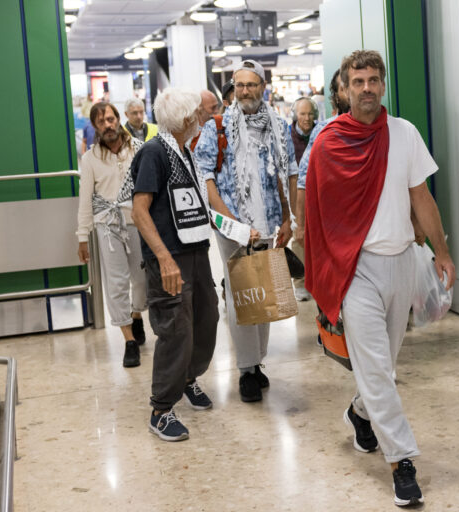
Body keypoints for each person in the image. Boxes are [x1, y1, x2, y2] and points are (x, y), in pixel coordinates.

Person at [305, 50, 456, 507]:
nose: (367, 88)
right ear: (344, 89)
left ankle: (359, 413)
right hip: (355, 270)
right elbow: (316, 212)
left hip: (402, 262)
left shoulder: (404, 133)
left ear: (383, 85)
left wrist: (442, 251)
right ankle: (402, 463)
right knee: (375, 367)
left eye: (373, 80)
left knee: (382, 368)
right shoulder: (327, 142)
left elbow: (421, 197)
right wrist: (326, 269)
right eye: (358, 81)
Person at [194, 59, 297, 403]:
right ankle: (245, 370)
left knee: (263, 293)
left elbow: (287, 174)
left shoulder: (278, 126)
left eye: (251, 85)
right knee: (241, 294)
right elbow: (205, 177)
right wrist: (232, 222)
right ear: (233, 89)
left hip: (268, 224)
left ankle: (257, 361)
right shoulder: (217, 127)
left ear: (262, 87)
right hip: (231, 227)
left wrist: (288, 219)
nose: (245, 91)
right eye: (239, 85)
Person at [130, 87, 219, 442]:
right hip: (169, 258)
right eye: (197, 112)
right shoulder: (154, 153)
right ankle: (161, 410)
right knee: (175, 330)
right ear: (184, 119)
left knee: (206, 320)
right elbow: (139, 211)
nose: (201, 117)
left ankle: (187, 379)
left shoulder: (186, 151)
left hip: (196, 252)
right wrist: (164, 258)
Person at [76, 101, 148, 368]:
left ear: (118, 119)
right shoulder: (90, 159)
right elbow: (85, 200)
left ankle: (137, 315)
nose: (107, 125)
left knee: (141, 280)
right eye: (101, 122)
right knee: (116, 282)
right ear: (95, 127)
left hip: (139, 222)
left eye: (110, 119)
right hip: (107, 226)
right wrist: (82, 237)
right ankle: (129, 341)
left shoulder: (139, 149)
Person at [293, 69, 350, 282]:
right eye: (345, 87)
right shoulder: (325, 131)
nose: (354, 91)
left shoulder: (384, 129)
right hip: (335, 229)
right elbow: (303, 179)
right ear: (336, 95)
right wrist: (300, 225)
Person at [288, 97, 319, 301]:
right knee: (299, 234)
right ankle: (300, 283)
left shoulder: (320, 132)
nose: (307, 118)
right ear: (295, 115)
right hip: (295, 191)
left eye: (310, 114)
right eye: (302, 114)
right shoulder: (287, 136)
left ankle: (317, 280)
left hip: (317, 191)